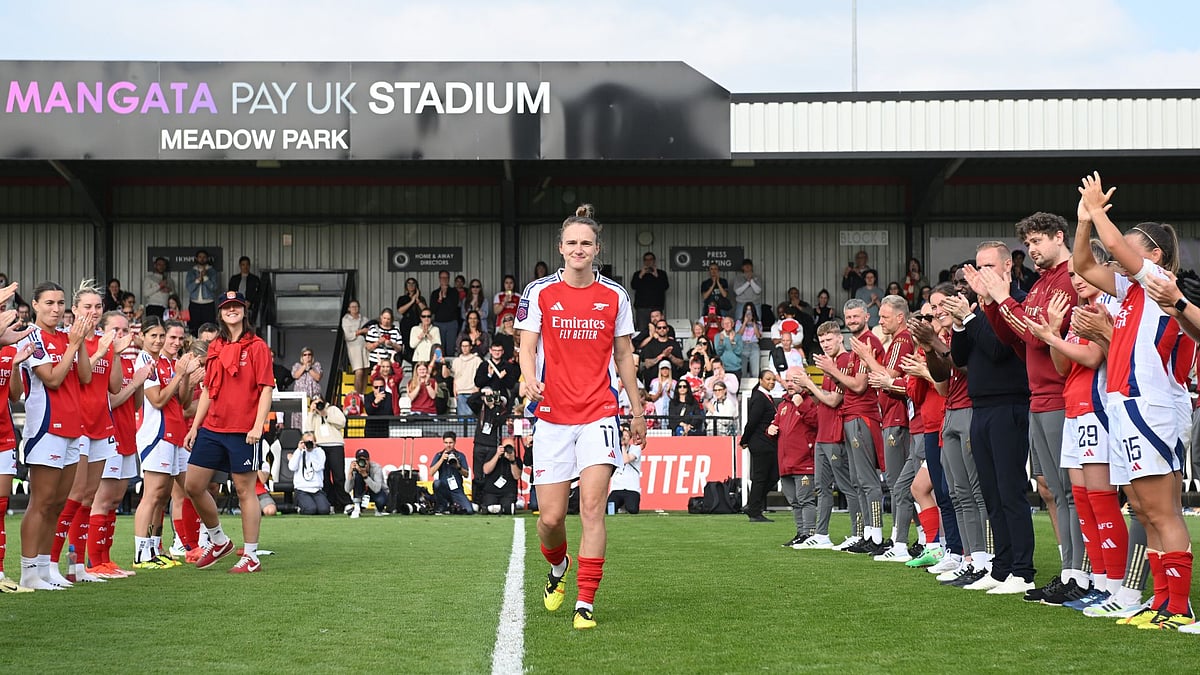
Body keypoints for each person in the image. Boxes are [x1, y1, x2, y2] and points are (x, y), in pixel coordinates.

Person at [515, 203, 646, 631]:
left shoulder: (615, 296)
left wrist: (637, 411)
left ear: (596, 249)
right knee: (550, 519)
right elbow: (526, 345)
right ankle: (558, 567)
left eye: (585, 243)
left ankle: (585, 602)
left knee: (592, 508)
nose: (578, 249)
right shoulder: (538, 292)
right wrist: (529, 378)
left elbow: (624, 355)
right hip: (552, 417)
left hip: (599, 414)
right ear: (560, 247)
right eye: (571, 242)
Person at [1075, 172, 1195, 630]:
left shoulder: (1159, 279)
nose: (1117, 253)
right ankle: (1161, 602)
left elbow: (1112, 248)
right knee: (1142, 510)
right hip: (1124, 403)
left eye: (1129, 247)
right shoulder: (1129, 290)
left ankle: (1178, 607)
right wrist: (1084, 221)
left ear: (1154, 254)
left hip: (1151, 404)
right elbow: (1083, 264)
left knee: (1162, 510)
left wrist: (1098, 211)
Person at [969, 213, 1084, 602]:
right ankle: (1071, 572)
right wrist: (991, 304)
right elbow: (1017, 341)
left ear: (1059, 237)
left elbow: (1037, 338)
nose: (1031, 250)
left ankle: (1082, 574)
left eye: (1037, 241)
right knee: (1056, 492)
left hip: (1061, 395)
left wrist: (1001, 299)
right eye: (1028, 243)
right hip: (1039, 396)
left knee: (1070, 492)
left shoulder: (1067, 279)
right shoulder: (1041, 283)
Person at [946, 246, 1036, 595]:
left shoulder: (1016, 301)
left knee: (1010, 490)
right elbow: (960, 358)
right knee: (991, 493)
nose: (981, 272)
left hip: (1009, 404)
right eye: (978, 265)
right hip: (980, 407)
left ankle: (1022, 570)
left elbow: (1000, 348)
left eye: (989, 265)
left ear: (1008, 266)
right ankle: (1002, 567)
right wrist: (960, 322)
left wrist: (970, 318)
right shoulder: (980, 307)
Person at [182, 290, 275, 574]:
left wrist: (258, 425)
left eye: (236, 306)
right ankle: (219, 540)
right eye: (226, 307)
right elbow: (208, 390)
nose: (231, 310)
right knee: (193, 485)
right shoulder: (216, 346)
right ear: (221, 313)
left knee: (245, 490)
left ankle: (251, 556)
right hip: (212, 427)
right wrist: (195, 427)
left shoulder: (258, 346)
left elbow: (266, 389)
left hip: (243, 430)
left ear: (244, 311)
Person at [18, 281, 96, 590]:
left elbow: (86, 376)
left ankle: (44, 569)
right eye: (49, 303)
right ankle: (28, 572)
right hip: (47, 428)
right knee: (42, 501)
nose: (56, 308)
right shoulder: (32, 337)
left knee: (58, 503)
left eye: (60, 303)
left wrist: (79, 341)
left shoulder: (67, 336)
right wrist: (74, 346)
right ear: (35, 305)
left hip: (73, 426)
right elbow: (51, 379)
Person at [47, 285, 121, 581]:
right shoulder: (69, 339)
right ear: (75, 310)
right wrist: (100, 350)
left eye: (98, 307)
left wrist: (115, 351)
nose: (93, 312)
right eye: (87, 306)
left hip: (101, 424)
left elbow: (114, 386)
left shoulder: (105, 341)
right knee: (74, 495)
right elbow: (80, 378)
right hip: (77, 424)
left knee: (88, 497)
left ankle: (77, 567)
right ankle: (51, 564)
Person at [820, 299, 887, 556]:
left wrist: (832, 370)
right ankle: (868, 534)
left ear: (867, 316)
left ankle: (877, 536)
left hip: (862, 415)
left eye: (856, 316)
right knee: (859, 480)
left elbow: (859, 386)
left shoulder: (868, 343)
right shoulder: (857, 345)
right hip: (851, 415)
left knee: (868, 480)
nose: (851, 321)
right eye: (848, 317)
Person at [856, 296, 918, 562]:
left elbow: (888, 377)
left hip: (897, 417)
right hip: (894, 417)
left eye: (884, 317)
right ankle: (918, 538)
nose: (880, 321)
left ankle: (902, 540)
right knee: (903, 484)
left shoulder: (902, 341)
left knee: (898, 483)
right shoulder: (898, 340)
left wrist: (867, 358)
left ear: (900, 317)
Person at [793, 322, 859, 550]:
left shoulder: (845, 361)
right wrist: (810, 387)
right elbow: (824, 399)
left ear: (840, 338)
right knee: (822, 487)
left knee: (846, 486)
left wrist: (809, 385)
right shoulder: (830, 364)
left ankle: (858, 533)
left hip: (835, 433)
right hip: (823, 433)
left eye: (829, 339)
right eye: (822, 341)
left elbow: (833, 400)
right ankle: (821, 534)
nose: (825, 344)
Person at [0, 337, 36, 591]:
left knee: (1, 505)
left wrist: (14, 365)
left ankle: (0, 573)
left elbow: (15, 395)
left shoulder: (10, 351)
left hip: (4, 435)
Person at [772, 366, 819, 547]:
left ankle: (809, 533)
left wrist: (801, 405)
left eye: (794, 380)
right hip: (786, 462)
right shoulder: (783, 404)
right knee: (794, 501)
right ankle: (801, 533)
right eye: (788, 380)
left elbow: (817, 423)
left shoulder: (812, 400)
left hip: (804, 461)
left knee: (805, 500)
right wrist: (771, 429)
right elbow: (776, 425)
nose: (790, 384)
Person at [739, 370, 778, 522]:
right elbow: (752, 422)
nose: (771, 382)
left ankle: (752, 504)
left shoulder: (765, 396)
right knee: (762, 477)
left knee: (772, 476)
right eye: (768, 379)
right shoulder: (759, 397)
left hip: (766, 442)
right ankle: (754, 510)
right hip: (761, 443)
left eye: (773, 379)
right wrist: (744, 440)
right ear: (760, 380)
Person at [307, 394, 352, 513]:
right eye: (315, 403)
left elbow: (342, 422)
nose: (318, 405)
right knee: (324, 478)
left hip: (335, 445)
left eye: (320, 402)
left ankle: (346, 502)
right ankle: (330, 502)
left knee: (339, 477)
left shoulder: (332, 409)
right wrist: (311, 412)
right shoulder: (313, 414)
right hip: (320, 446)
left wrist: (325, 414)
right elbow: (307, 430)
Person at [467, 386, 510, 499]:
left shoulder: (500, 409)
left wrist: (493, 407)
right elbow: (470, 401)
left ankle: (487, 498)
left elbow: (498, 421)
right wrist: (482, 393)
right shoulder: (480, 408)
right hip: (479, 444)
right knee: (478, 474)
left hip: (492, 445)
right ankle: (476, 500)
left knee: (490, 473)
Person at [429, 431, 472, 514]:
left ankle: (452, 506)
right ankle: (443, 505)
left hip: (457, 490)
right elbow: (431, 473)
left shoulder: (460, 455)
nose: (448, 445)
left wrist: (458, 466)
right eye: (446, 443)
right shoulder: (439, 455)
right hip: (444, 489)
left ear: (455, 442)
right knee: (437, 483)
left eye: (450, 443)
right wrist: (441, 459)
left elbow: (466, 474)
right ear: (443, 442)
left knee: (469, 510)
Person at [288, 432, 330, 515]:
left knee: (324, 510)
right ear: (302, 442)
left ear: (315, 442)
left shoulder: (319, 452)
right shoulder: (299, 452)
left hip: (316, 489)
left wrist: (312, 452)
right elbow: (292, 467)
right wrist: (299, 450)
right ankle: (300, 508)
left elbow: (318, 467)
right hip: (302, 489)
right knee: (310, 510)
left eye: (311, 442)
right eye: (307, 442)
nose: (309, 444)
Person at [637, 317, 684, 386]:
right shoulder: (650, 344)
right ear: (656, 330)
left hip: (672, 382)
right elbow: (647, 364)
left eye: (664, 327)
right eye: (659, 328)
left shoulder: (675, 344)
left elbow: (681, 364)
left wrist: (669, 356)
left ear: (667, 329)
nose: (662, 329)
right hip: (653, 382)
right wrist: (661, 356)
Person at [479, 441, 522, 514]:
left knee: (508, 508)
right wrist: (497, 455)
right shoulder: (492, 456)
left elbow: (517, 476)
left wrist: (512, 461)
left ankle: (501, 508)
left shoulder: (517, 460)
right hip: (491, 492)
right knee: (488, 506)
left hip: (508, 493)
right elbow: (486, 470)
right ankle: (500, 508)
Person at [607, 425, 642, 514]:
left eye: (626, 436)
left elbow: (626, 460)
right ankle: (621, 505)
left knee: (633, 510)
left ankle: (625, 505)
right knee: (609, 510)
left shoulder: (635, 448)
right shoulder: (614, 449)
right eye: (622, 435)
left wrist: (622, 446)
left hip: (632, 488)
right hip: (616, 488)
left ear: (630, 438)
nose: (624, 438)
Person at [630, 251, 669, 331]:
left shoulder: (661, 273)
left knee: (658, 328)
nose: (648, 262)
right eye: (646, 260)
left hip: (656, 306)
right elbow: (633, 286)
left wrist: (656, 275)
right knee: (642, 329)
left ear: (654, 261)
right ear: (644, 261)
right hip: (642, 308)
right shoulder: (637, 274)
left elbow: (665, 286)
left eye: (650, 259)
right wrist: (641, 275)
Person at [344, 448, 388, 517]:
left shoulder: (376, 468)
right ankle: (357, 507)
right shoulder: (355, 469)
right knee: (358, 476)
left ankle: (379, 509)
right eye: (360, 460)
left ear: (369, 460)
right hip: (361, 493)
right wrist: (350, 472)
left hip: (375, 492)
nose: (363, 463)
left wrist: (365, 476)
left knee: (381, 501)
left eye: (365, 460)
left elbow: (377, 489)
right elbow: (347, 489)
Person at [185, 250, 219, 335]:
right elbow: (189, 288)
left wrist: (205, 278)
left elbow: (214, 287)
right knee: (194, 328)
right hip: (194, 303)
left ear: (207, 258)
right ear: (196, 258)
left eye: (204, 257)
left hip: (208, 303)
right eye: (200, 257)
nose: (202, 259)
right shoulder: (191, 272)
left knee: (209, 329)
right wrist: (198, 280)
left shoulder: (212, 271)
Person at [289, 347, 322, 429]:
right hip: (299, 400)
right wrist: (304, 366)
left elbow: (318, 377)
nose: (307, 356)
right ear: (302, 357)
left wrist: (309, 368)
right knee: (299, 422)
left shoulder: (316, 365)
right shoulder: (297, 366)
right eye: (305, 355)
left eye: (309, 354)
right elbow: (295, 375)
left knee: (313, 422)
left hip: (313, 399)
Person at [395, 277, 427, 361]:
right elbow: (400, 311)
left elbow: (425, 310)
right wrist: (412, 301)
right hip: (406, 325)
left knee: (419, 344)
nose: (411, 285)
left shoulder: (421, 298)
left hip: (418, 324)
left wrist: (417, 301)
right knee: (408, 346)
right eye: (409, 283)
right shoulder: (402, 298)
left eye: (413, 283)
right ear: (406, 286)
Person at [342, 300, 370, 394]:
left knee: (365, 370)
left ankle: (363, 394)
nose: (354, 308)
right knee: (359, 371)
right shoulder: (346, 320)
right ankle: (357, 395)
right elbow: (348, 336)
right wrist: (360, 331)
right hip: (354, 348)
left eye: (356, 306)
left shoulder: (364, 319)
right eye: (352, 307)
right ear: (349, 309)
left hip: (365, 347)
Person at [429, 270, 460, 353]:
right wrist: (439, 299)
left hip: (451, 323)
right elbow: (433, 310)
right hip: (438, 324)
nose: (444, 279)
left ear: (449, 279)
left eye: (446, 277)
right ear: (439, 279)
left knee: (450, 349)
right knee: (439, 348)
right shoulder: (435, 293)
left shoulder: (454, 292)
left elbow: (453, 307)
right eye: (442, 277)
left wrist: (445, 296)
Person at [228, 256, 263, 323]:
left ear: (249, 266)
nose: (245, 267)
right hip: (237, 306)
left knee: (250, 324)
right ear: (240, 266)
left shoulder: (255, 279)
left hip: (251, 308)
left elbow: (259, 294)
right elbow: (230, 292)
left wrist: (250, 302)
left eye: (247, 265)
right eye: (243, 265)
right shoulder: (234, 279)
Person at [452, 338, 482, 415]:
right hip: (460, 391)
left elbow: (480, 376)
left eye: (466, 346)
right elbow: (455, 377)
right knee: (462, 417)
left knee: (471, 417)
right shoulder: (456, 361)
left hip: (472, 391)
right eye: (463, 346)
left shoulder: (477, 360)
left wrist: (478, 388)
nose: (464, 348)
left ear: (470, 347)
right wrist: (454, 390)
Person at [735, 302, 763, 380]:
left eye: (750, 310)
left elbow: (758, 336)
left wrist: (754, 323)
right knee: (743, 370)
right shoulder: (739, 322)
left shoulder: (758, 323)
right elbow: (738, 335)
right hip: (742, 344)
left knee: (755, 371)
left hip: (754, 344)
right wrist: (744, 322)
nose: (748, 313)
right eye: (747, 310)